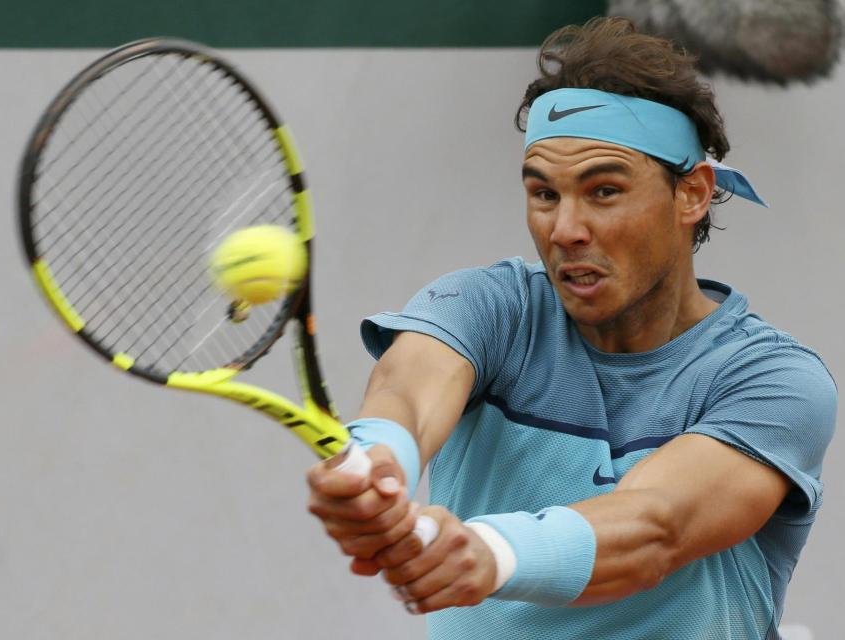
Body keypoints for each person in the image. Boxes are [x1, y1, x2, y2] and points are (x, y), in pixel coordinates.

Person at [306, 17, 837, 639]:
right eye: (544, 194)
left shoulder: (775, 380)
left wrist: (490, 553)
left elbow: (653, 529)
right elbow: (407, 395)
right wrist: (378, 459)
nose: (565, 229)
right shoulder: (487, 307)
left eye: (604, 191)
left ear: (691, 193)